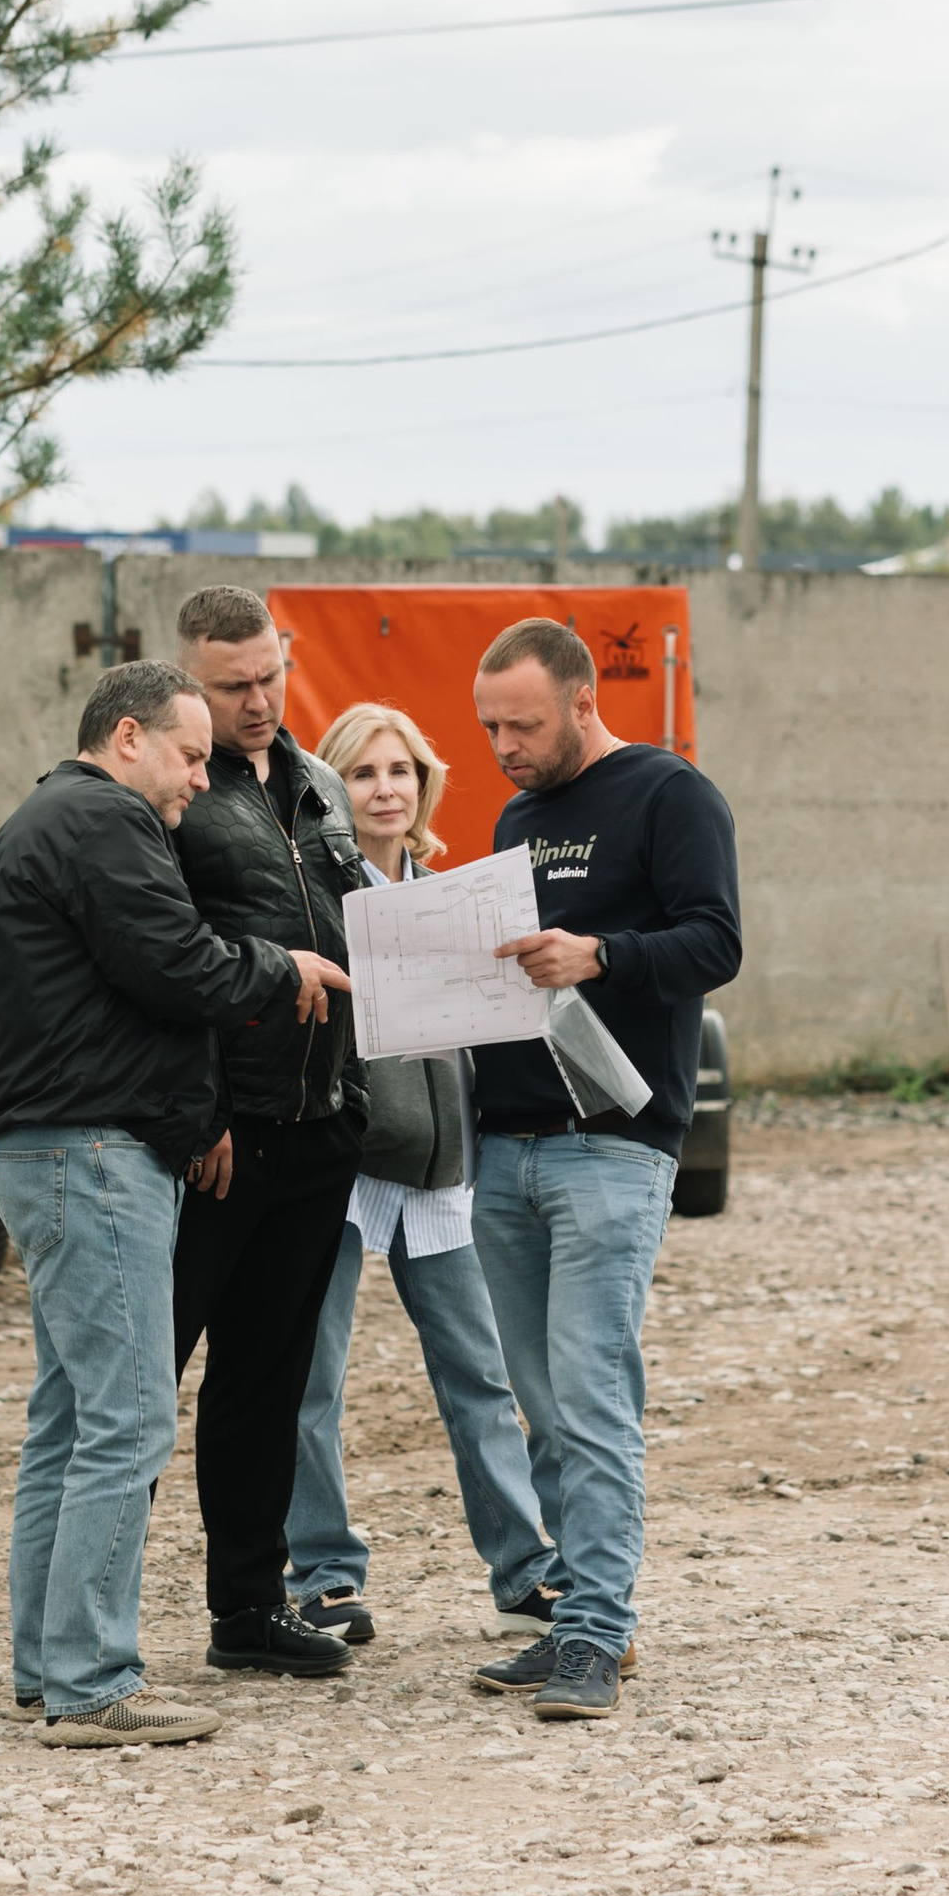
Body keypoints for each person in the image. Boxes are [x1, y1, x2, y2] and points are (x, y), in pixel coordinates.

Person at [0, 657, 350, 1747]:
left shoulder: (42, 820)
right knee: (127, 1419)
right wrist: (286, 969)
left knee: (70, 1420)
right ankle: (91, 1681)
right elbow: (176, 967)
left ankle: (47, 1667)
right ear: (126, 736)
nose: (200, 780)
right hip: (90, 1157)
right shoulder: (103, 822)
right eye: (189, 756)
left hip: (45, 1153)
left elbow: (120, 988)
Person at [467, 615, 742, 1726]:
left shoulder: (670, 796)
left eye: (522, 725)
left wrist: (602, 954)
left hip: (612, 1149)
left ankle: (593, 1636)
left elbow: (716, 945)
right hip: (506, 1143)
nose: (502, 747)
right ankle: (581, 1610)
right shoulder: (515, 816)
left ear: (582, 703)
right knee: (540, 1404)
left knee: (589, 1392)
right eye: (488, 727)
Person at [284, 699, 566, 1643]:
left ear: (424, 782)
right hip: (347, 1167)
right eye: (364, 773)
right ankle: (321, 1573)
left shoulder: (457, 892)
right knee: (312, 1381)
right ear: (334, 786)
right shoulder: (315, 899)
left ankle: (525, 1570)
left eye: (399, 770)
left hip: (446, 1174)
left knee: (480, 1377)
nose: (385, 788)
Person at [167, 583, 372, 1682]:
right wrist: (199, 1112)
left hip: (316, 1128)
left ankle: (247, 1608)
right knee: (145, 1380)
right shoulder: (172, 795)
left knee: (266, 1384)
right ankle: (85, 1630)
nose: (256, 702)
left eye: (269, 678)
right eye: (231, 686)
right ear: (186, 683)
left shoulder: (319, 786)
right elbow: (157, 964)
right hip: (219, 1140)